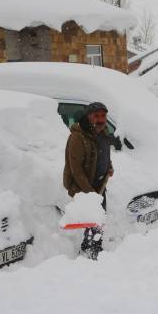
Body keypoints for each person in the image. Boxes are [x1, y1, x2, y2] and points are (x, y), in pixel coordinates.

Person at [63, 101, 114, 259]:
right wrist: (90, 193)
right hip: (83, 186)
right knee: (91, 218)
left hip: (99, 185)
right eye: (96, 116)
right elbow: (76, 170)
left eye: (103, 116)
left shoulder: (102, 133)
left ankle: (94, 246)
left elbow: (103, 153)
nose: (100, 119)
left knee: (98, 218)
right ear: (88, 117)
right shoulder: (78, 137)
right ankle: (89, 251)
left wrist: (109, 167)